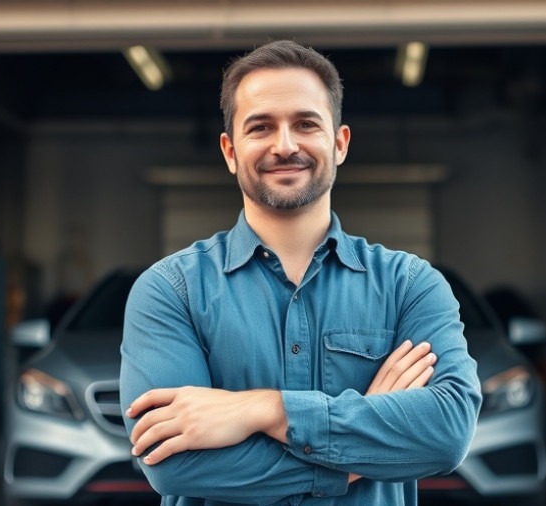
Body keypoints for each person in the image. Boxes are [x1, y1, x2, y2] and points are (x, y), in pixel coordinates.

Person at [120, 39, 481, 505]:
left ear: (339, 143)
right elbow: (172, 464)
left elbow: (447, 431)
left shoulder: (409, 286)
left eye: (306, 124)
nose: (285, 145)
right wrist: (355, 456)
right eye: (261, 127)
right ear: (230, 151)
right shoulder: (172, 291)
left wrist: (263, 409)